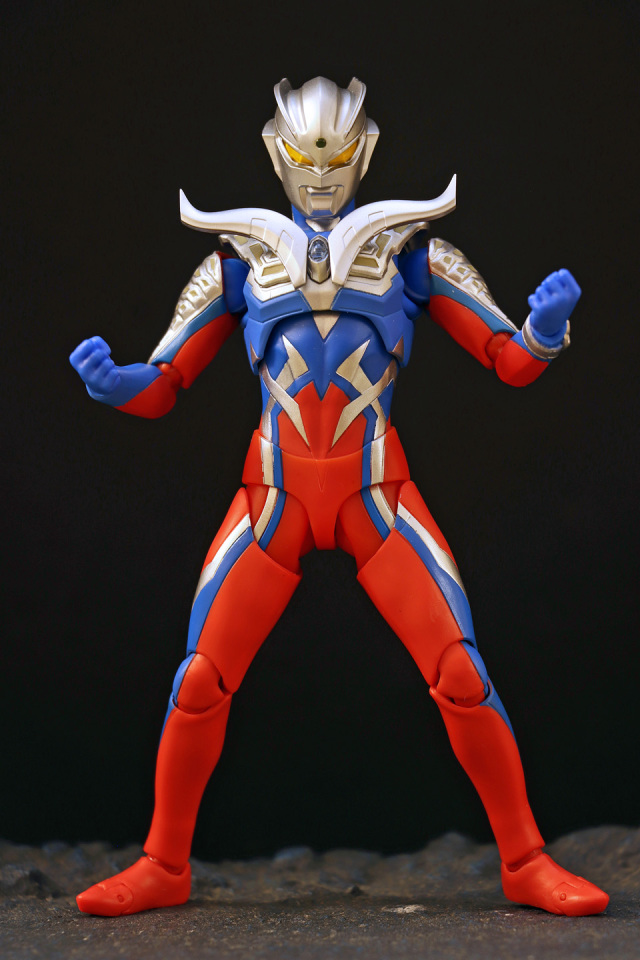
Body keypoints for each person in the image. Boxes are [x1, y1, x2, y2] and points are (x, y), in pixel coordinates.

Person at [70, 76, 607, 917]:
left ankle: (526, 860)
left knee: (461, 672)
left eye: (336, 159)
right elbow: (166, 380)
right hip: (272, 500)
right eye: (305, 160)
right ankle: (164, 864)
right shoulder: (238, 265)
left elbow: (509, 361)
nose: (320, 177)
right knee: (200, 680)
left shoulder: (413, 256)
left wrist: (543, 328)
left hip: (375, 496)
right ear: (278, 158)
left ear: (364, 156)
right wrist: (115, 384)